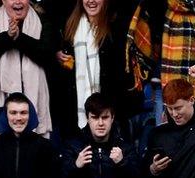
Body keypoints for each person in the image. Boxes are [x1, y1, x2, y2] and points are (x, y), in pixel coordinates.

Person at [55, 0, 139, 135]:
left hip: (111, 113)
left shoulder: (117, 28)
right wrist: (59, 57)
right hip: (76, 111)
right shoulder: (69, 27)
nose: (91, 1)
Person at [0, 0, 55, 137]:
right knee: (0, 152)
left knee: (32, 153)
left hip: (34, 99)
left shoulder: (41, 19)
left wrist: (19, 38)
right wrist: (7, 36)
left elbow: (47, 55)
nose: (18, 2)